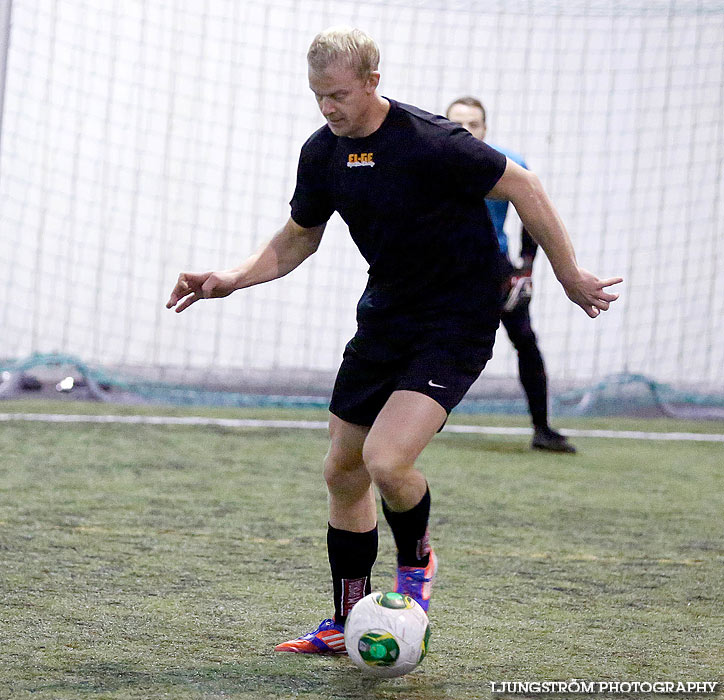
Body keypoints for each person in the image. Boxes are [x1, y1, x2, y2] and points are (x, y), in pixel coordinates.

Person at [166, 27, 621, 654]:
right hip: (385, 317)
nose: (328, 108)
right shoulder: (322, 152)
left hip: (457, 319)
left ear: (373, 82)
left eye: (340, 95)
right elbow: (299, 235)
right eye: (318, 96)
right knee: (342, 470)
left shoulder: (432, 141)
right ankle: (345, 618)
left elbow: (526, 187)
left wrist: (569, 275)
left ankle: (417, 565)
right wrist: (231, 278)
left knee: (386, 460)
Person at [447, 96, 576, 453]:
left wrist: (526, 268)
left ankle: (543, 429)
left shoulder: (507, 164)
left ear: (484, 129)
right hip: (442, 270)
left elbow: (531, 215)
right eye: (457, 124)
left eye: (473, 124)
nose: (465, 131)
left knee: (525, 341)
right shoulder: (431, 162)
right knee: (424, 339)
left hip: (495, 269)